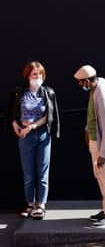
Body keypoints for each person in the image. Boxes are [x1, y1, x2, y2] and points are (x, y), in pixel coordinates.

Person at [8, 61, 60, 220]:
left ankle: (41, 205)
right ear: (28, 76)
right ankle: (30, 203)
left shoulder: (48, 92)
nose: (38, 77)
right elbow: (11, 112)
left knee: (42, 173)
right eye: (34, 74)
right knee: (29, 173)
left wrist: (32, 126)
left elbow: (49, 116)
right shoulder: (20, 93)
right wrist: (15, 125)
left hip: (42, 134)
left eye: (40, 74)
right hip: (25, 136)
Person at [74, 65, 105, 228]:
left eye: (81, 83)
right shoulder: (99, 83)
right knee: (100, 175)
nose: (80, 86)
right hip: (96, 141)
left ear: (87, 80)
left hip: (102, 144)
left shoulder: (101, 93)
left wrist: (104, 153)